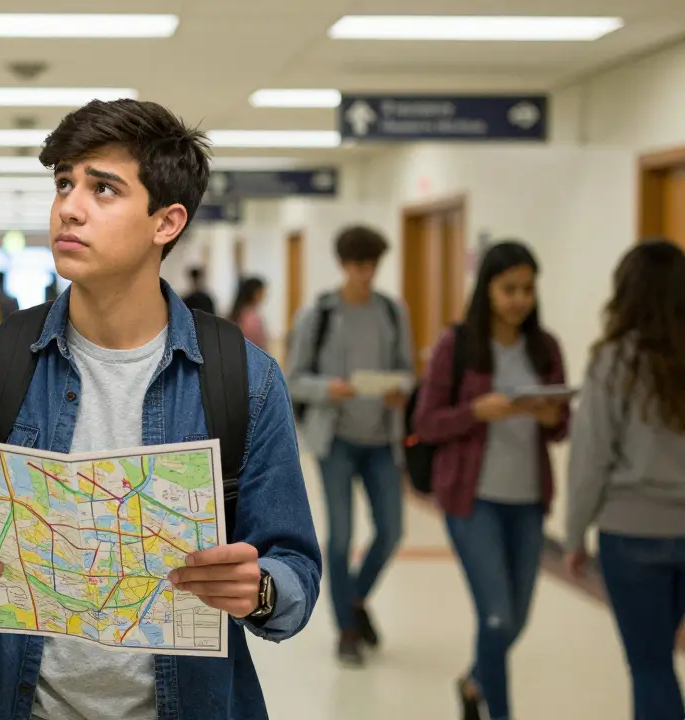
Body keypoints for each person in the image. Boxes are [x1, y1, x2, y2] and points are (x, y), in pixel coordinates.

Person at [0, 98, 321, 720]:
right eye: (64, 183)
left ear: (166, 222)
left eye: (103, 188)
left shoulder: (244, 379)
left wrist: (258, 589)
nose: (69, 207)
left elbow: (295, 571)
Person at [412, 240, 569, 720]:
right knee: (496, 618)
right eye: (509, 289)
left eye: (527, 289)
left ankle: (474, 681)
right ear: (487, 290)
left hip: (528, 500)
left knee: (514, 620)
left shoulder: (545, 348)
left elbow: (561, 427)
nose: (520, 299)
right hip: (471, 500)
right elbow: (426, 423)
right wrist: (476, 411)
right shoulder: (457, 344)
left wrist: (550, 416)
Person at [564, 239, 685, 720]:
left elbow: (590, 459)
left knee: (650, 666)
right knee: (659, 660)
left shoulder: (614, 361)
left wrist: (574, 534)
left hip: (632, 535)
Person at [286, 225, 414, 666]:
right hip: (336, 439)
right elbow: (294, 379)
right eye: (358, 265)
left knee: (392, 531)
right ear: (343, 265)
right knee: (340, 538)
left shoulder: (392, 312)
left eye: (373, 265)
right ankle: (346, 629)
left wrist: (400, 389)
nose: (366, 273)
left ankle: (355, 600)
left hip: (381, 440)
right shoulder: (319, 315)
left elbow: (407, 370)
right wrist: (330, 389)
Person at [229, 276, 269, 351]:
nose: (264, 296)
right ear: (255, 294)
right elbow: (259, 347)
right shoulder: (252, 319)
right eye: (262, 292)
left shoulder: (236, 313)